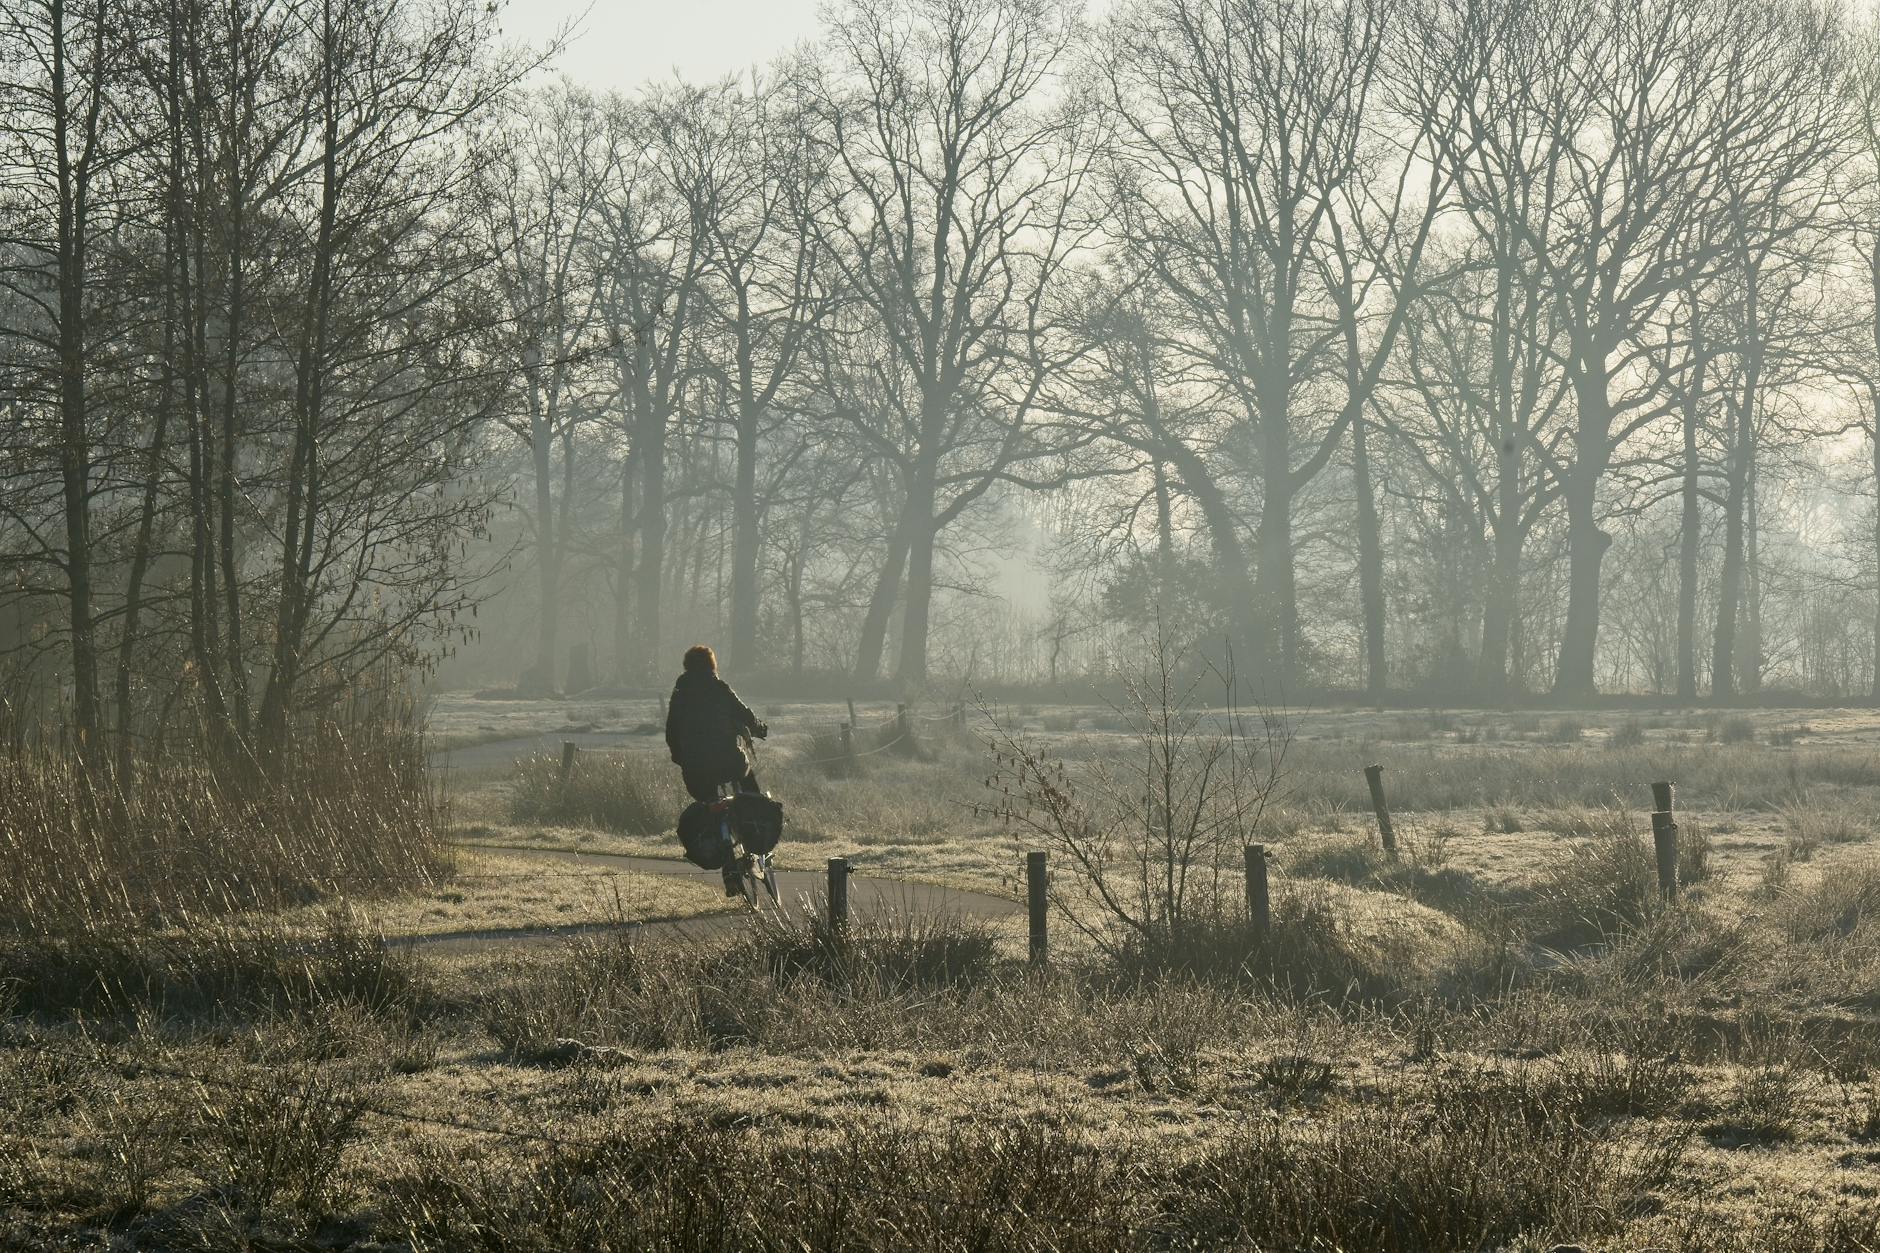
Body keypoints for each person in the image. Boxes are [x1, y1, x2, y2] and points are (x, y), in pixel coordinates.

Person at [665, 644, 768, 894]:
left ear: (687, 667)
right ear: (712, 665)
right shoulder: (719, 688)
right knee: (751, 794)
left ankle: (728, 865)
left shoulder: (680, 694)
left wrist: (683, 759)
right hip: (729, 763)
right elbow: (745, 715)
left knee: (711, 807)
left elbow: (671, 733)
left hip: (696, 771)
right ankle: (754, 844)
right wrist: (759, 728)